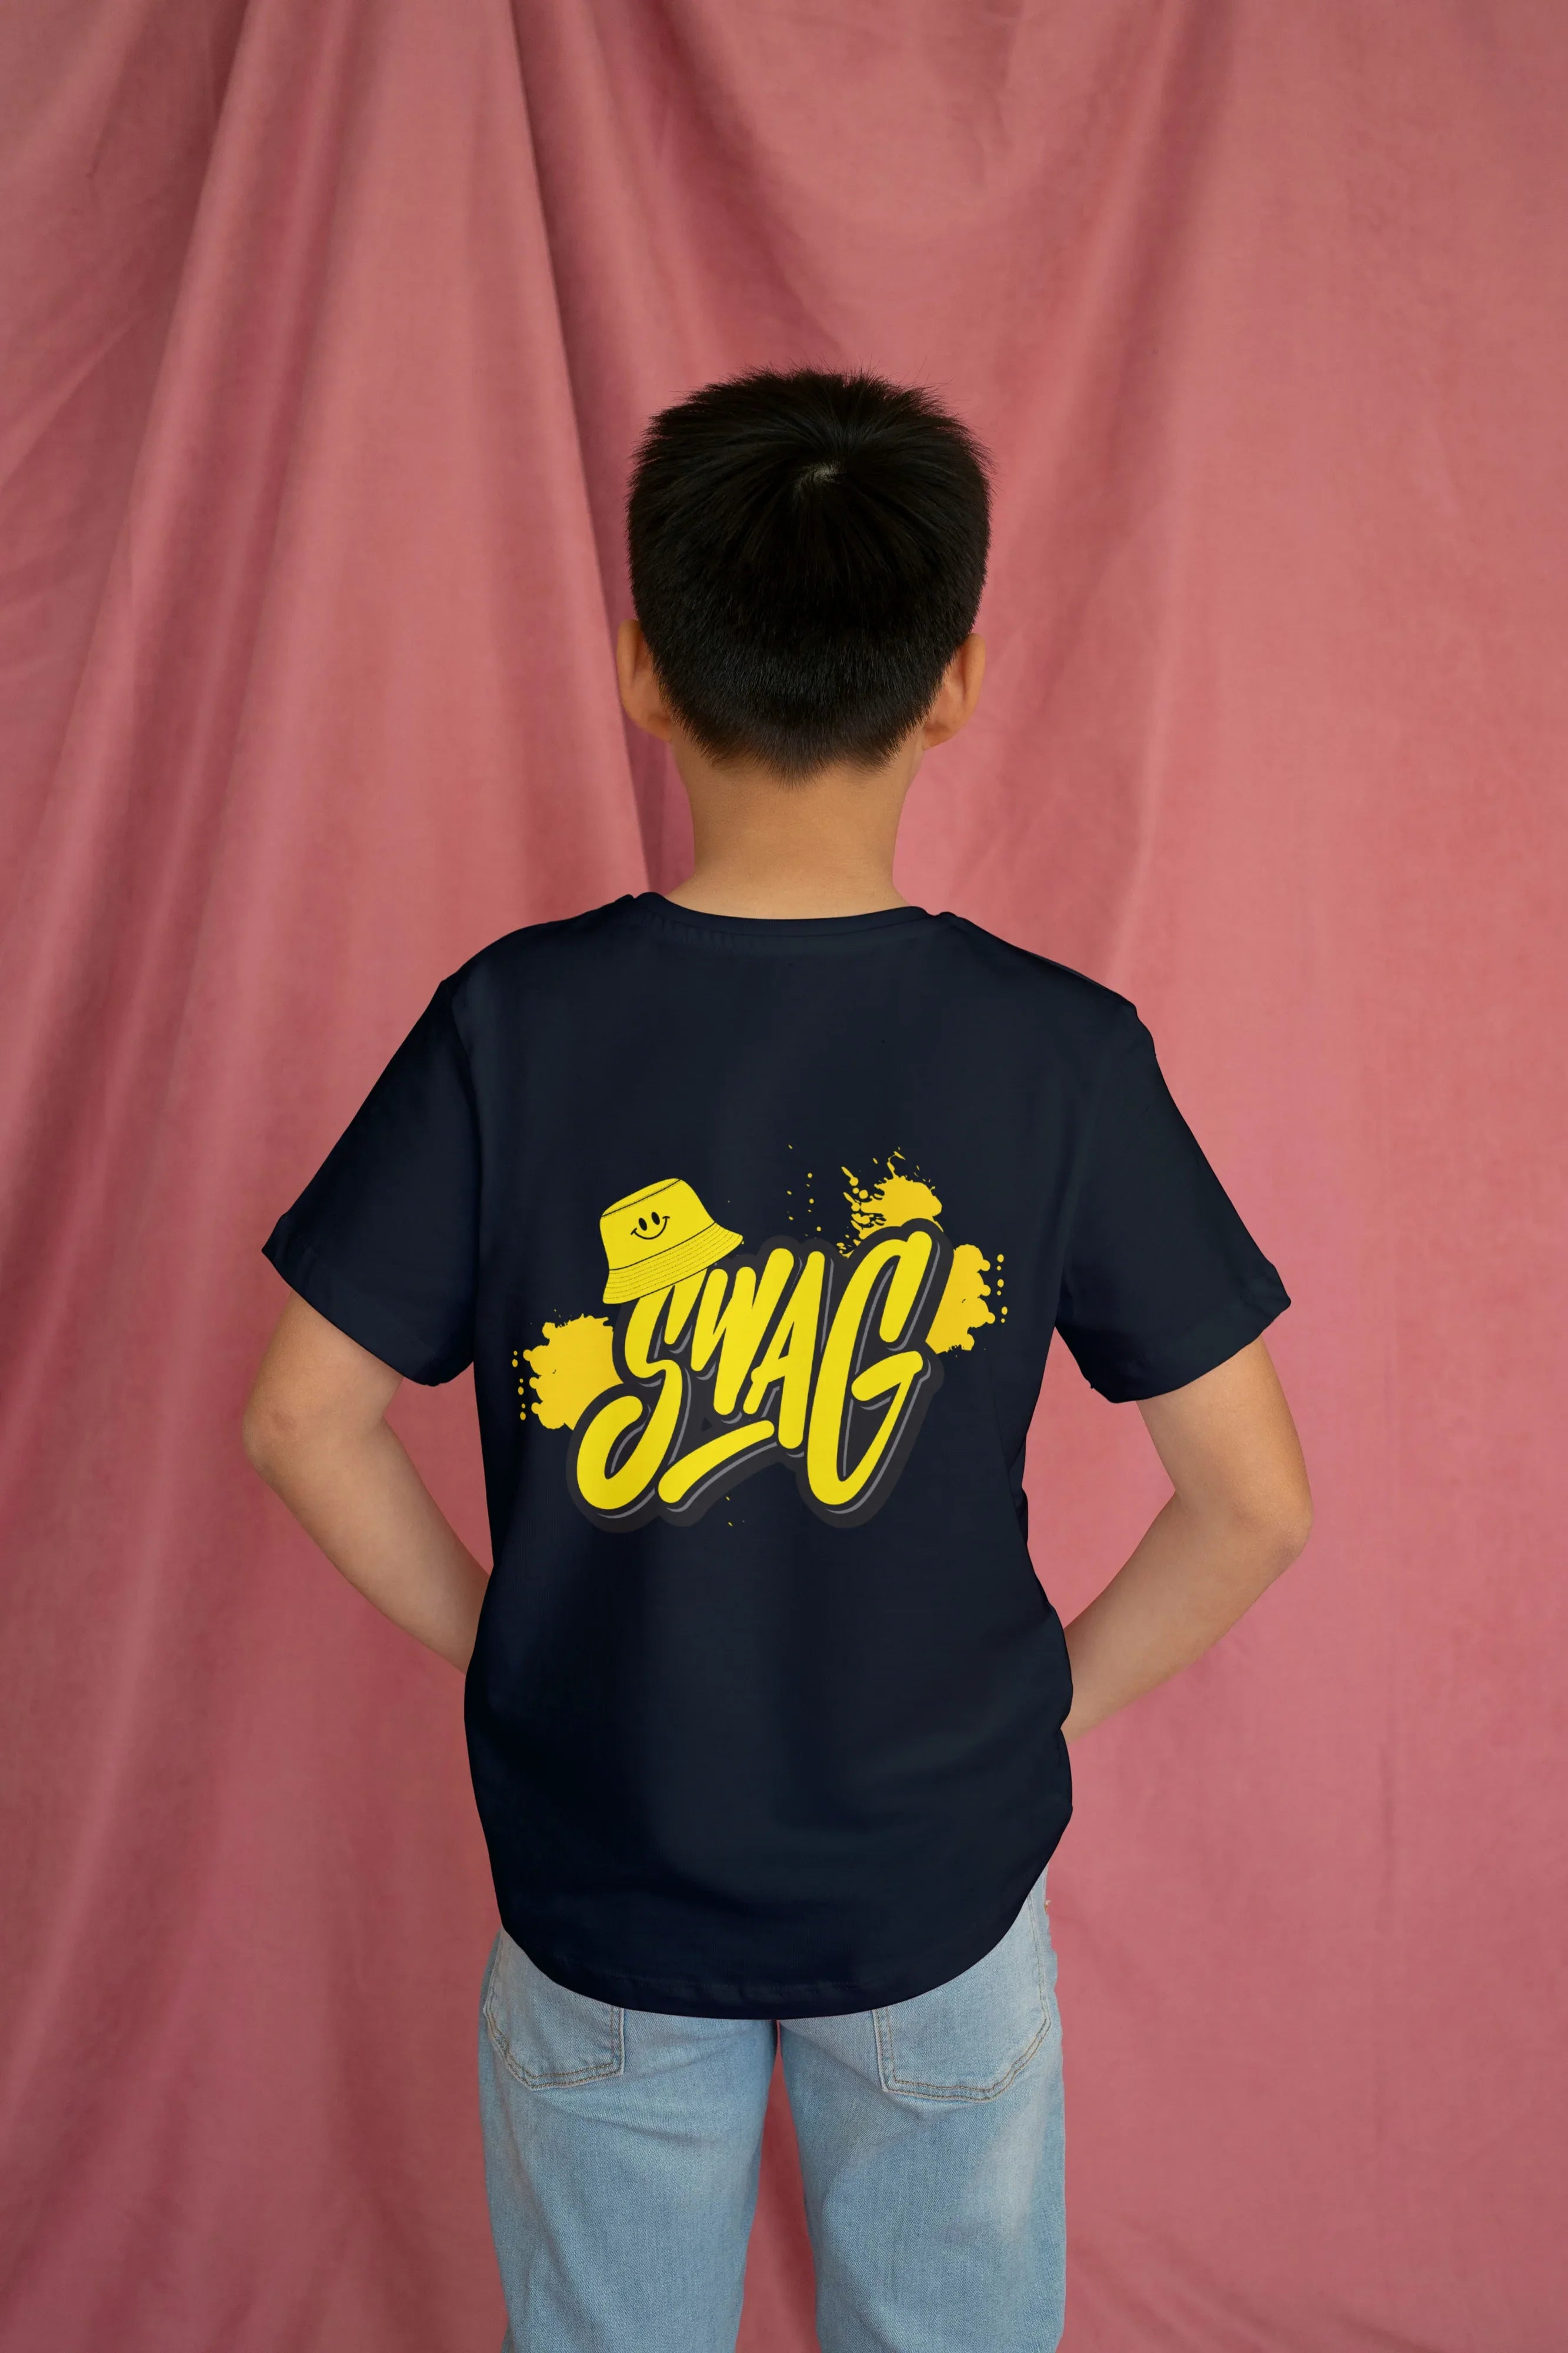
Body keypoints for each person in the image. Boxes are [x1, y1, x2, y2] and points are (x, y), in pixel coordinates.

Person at [243, 367, 1312, 2353]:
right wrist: (1035, 1713)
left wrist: (512, 1646)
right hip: (937, 1882)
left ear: (642, 673)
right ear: (954, 683)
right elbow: (1252, 1505)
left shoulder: (509, 1027)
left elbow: (302, 1419)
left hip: (605, 1872)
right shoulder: (1056, 1054)